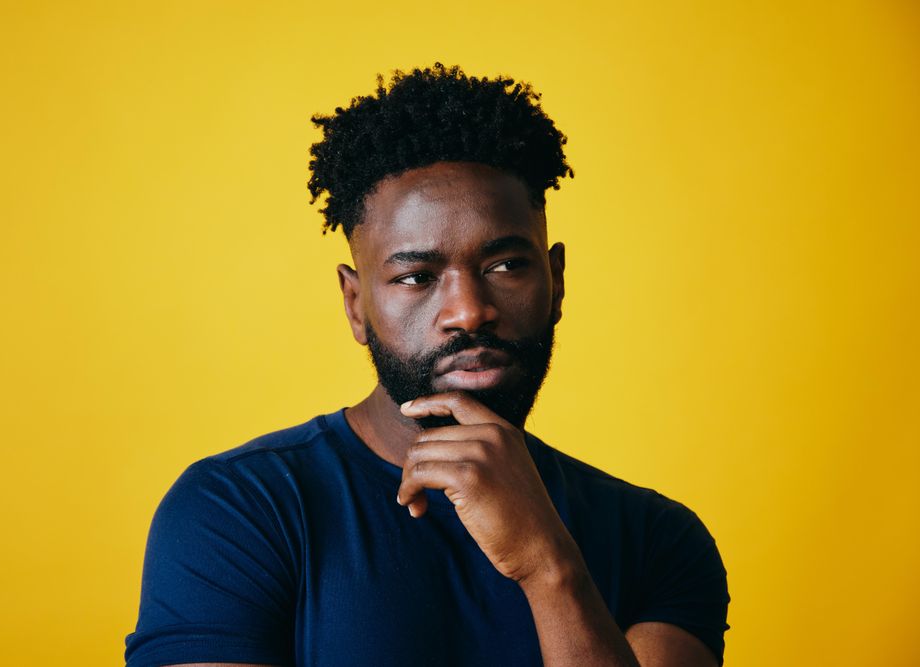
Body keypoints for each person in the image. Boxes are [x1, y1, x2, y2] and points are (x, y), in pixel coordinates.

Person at [125, 63, 730, 667]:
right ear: (356, 304)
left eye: (505, 267)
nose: (469, 311)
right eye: (417, 277)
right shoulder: (238, 511)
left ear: (557, 282)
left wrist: (549, 567)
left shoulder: (658, 540)